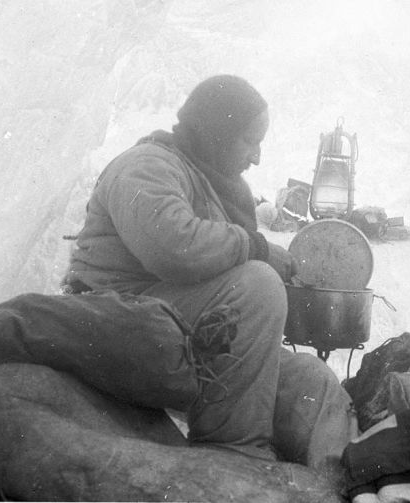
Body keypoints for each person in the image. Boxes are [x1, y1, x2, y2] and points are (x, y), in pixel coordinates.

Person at [63, 75, 356, 475]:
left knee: (310, 377)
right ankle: (234, 454)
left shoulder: (213, 181)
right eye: (249, 140)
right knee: (257, 285)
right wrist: (256, 250)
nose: (257, 157)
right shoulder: (146, 165)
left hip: (173, 324)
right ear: (216, 131)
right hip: (117, 318)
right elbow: (173, 248)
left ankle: (341, 482)